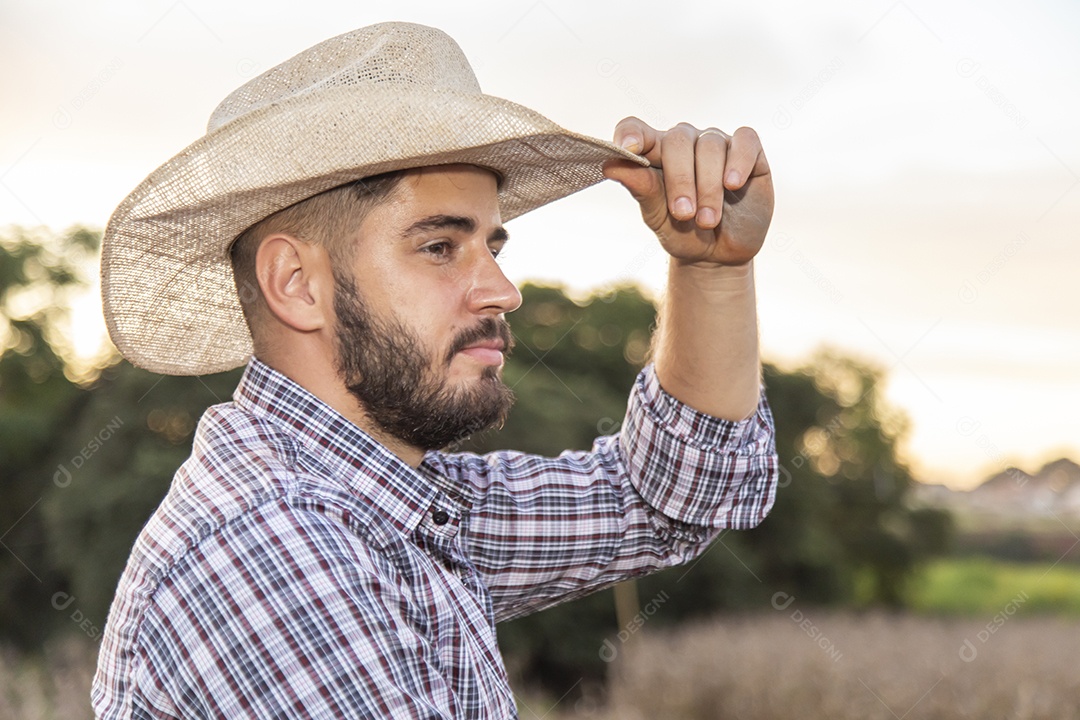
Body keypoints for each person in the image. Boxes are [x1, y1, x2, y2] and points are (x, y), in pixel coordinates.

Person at [93, 21, 778, 719]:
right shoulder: (271, 548)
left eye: (492, 244)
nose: (503, 292)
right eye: (440, 246)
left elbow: (666, 498)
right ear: (296, 283)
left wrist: (711, 267)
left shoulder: (394, 505)